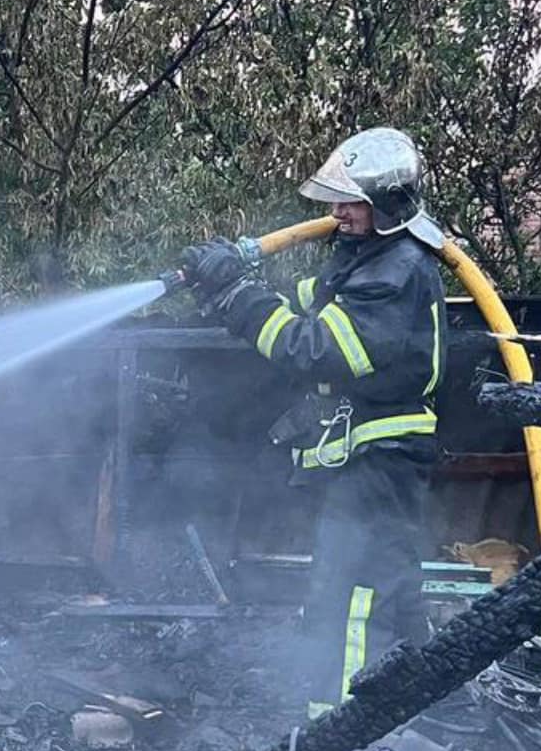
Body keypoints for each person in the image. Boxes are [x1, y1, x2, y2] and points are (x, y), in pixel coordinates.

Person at [183, 127, 446, 714]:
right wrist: (229, 284)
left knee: (348, 597)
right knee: (392, 592)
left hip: (380, 463)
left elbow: (313, 347)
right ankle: (421, 708)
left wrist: (240, 296)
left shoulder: (396, 272)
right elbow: (308, 300)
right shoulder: (370, 260)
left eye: (351, 202)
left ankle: (342, 731)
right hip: (378, 464)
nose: (337, 213)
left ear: (387, 207)